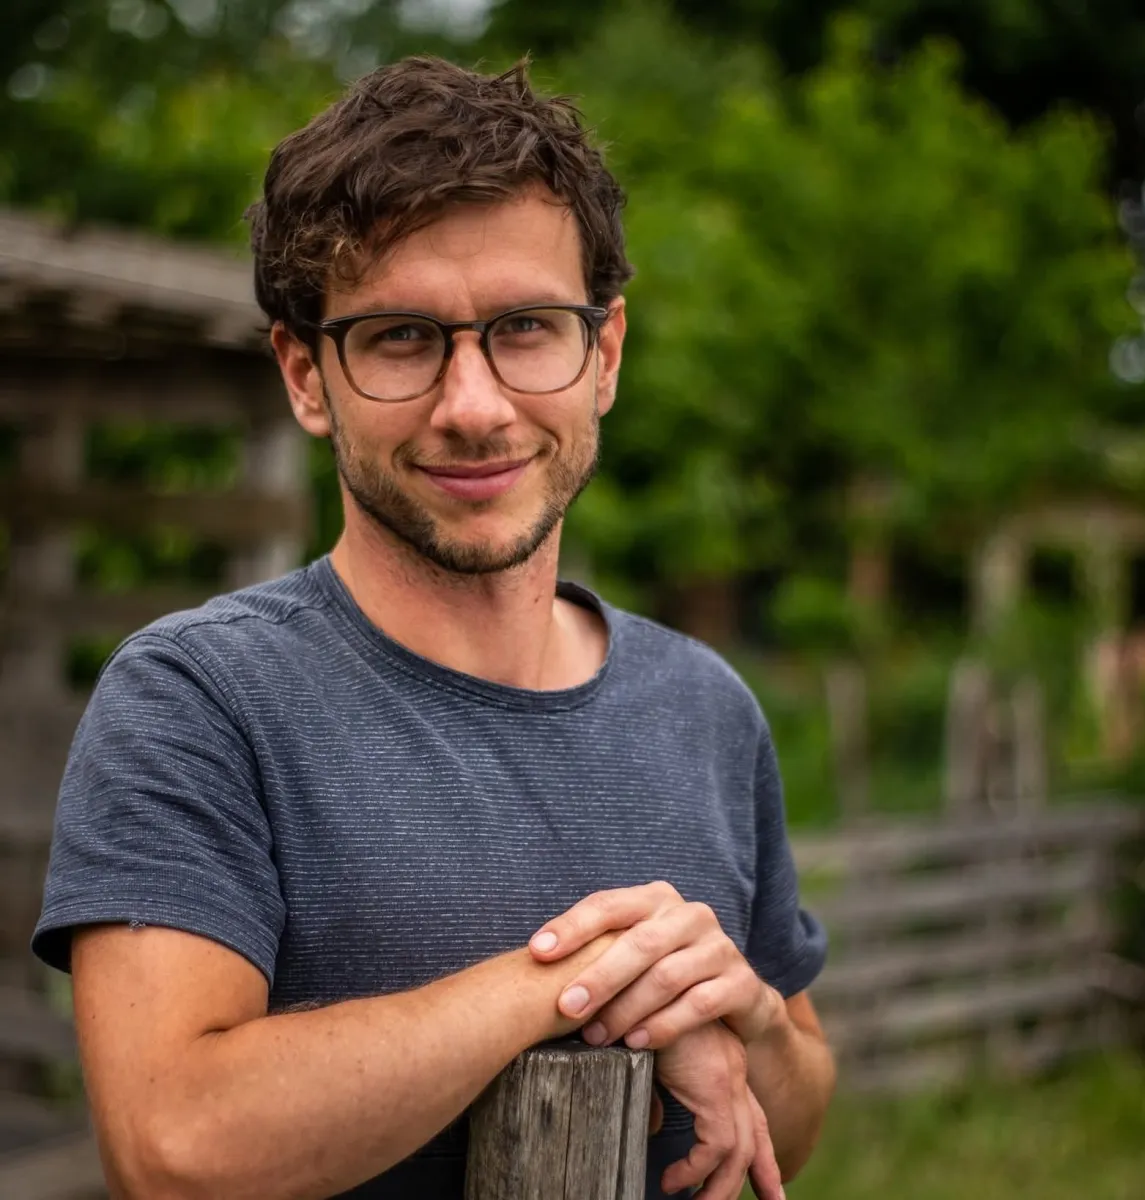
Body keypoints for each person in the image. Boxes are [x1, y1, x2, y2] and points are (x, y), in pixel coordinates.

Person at [33, 56, 834, 1200]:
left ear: (604, 353)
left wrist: (738, 1010)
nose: (473, 406)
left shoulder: (704, 707)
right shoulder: (199, 702)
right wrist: (577, 983)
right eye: (403, 338)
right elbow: (175, 1147)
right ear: (306, 374)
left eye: (527, 328)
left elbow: (782, 1132)